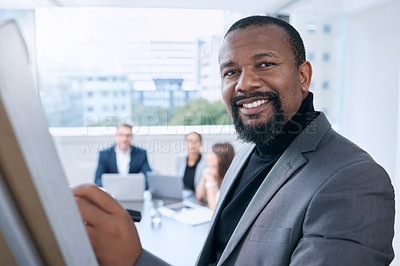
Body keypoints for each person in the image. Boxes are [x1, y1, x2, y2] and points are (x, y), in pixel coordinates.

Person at [73, 15, 395, 266]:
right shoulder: (244, 157)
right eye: (230, 72)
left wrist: (135, 259)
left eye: (265, 64)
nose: (245, 83)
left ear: (303, 76)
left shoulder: (355, 181)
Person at [94, 123, 152, 188]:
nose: (124, 139)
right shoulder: (104, 154)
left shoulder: (141, 153)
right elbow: (97, 180)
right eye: (121, 135)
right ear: (115, 136)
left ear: (132, 137)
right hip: (111, 193)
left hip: (132, 190)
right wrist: (117, 186)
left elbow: (149, 178)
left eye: (128, 135)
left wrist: (132, 186)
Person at [195, 142, 235, 210]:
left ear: (219, 158)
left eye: (211, 153)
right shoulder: (210, 172)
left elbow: (214, 207)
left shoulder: (229, 178)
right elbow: (199, 196)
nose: (207, 156)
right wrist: (204, 177)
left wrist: (211, 181)